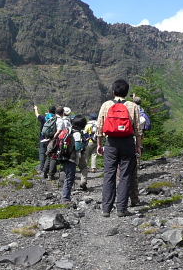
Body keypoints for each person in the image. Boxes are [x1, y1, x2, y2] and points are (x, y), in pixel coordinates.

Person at [96, 79, 141, 217]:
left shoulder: (106, 105)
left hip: (111, 143)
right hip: (128, 143)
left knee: (109, 175)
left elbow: (99, 127)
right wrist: (138, 146)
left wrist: (99, 144)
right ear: (127, 92)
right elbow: (138, 129)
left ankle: (106, 209)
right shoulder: (133, 106)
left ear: (113, 91)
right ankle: (121, 209)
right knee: (125, 175)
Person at [60, 114, 87, 202]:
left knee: (67, 176)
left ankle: (64, 194)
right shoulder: (77, 134)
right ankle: (65, 198)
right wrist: (84, 144)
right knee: (70, 178)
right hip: (72, 158)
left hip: (64, 155)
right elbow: (78, 147)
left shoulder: (68, 130)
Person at [34, 104, 56, 172]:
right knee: (51, 154)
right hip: (52, 140)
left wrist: (35, 109)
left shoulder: (43, 118)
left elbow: (37, 114)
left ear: (48, 111)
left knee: (42, 153)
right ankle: (50, 169)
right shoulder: (56, 119)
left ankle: (41, 168)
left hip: (43, 139)